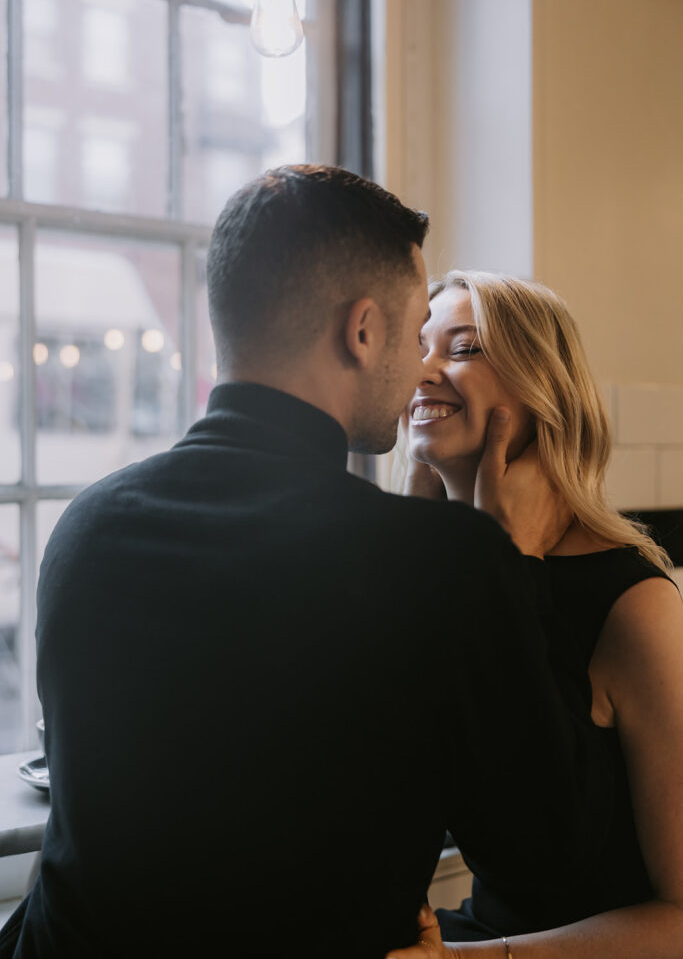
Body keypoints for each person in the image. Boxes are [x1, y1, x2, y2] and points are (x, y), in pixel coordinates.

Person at [0, 169, 610, 959]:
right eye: (412, 331)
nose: (420, 369)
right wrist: (508, 566)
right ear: (361, 332)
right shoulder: (446, 567)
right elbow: (543, 861)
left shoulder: (86, 528)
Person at [386, 270, 683, 958]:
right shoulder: (437, 581)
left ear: (540, 388)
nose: (421, 371)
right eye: (415, 348)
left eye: (460, 348)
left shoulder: (632, 605)